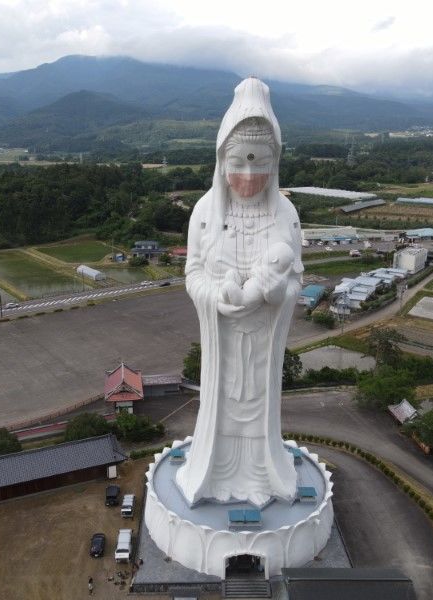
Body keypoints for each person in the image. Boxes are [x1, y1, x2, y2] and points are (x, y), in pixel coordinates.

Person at [176, 78, 302, 507]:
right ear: (221, 159)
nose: (248, 175)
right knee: (224, 403)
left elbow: (296, 276)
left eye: (259, 162)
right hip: (224, 336)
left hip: (263, 339)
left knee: (258, 405)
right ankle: (214, 470)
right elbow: (192, 271)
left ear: (275, 161)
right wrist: (216, 295)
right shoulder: (205, 214)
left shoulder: (286, 214)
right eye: (239, 162)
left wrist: (276, 292)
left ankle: (264, 471)